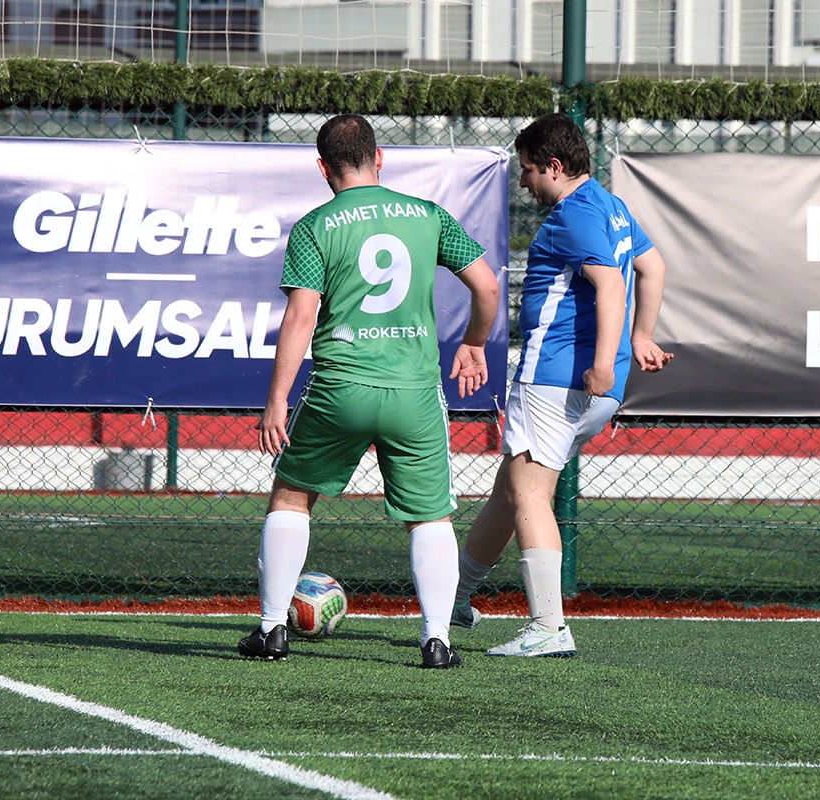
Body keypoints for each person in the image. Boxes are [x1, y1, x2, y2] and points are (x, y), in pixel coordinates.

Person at [237, 113, 499, 669]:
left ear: (322, 167)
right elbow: (488, 286)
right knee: (429, 517)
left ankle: (272, 629)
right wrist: (474, 343)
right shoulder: (429, 215)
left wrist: (277, 398)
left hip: (341, 387)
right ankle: (436, 641)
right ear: (379, 158)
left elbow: (301, 316)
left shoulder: (315, 226)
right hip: (414, 392)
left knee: (292, 497)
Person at [450, 112, 673, 657]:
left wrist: (601, 361)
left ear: (553, 166)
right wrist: (641, 338)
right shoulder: (612, 206)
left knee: (529, 494)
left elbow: (610, 284)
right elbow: (654, 267)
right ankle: (454, 595)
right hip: (597, 388)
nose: (524, 182)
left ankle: (549, 627)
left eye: (528, 170)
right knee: (511, 491)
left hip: (556, 377)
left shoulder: (574, 214)